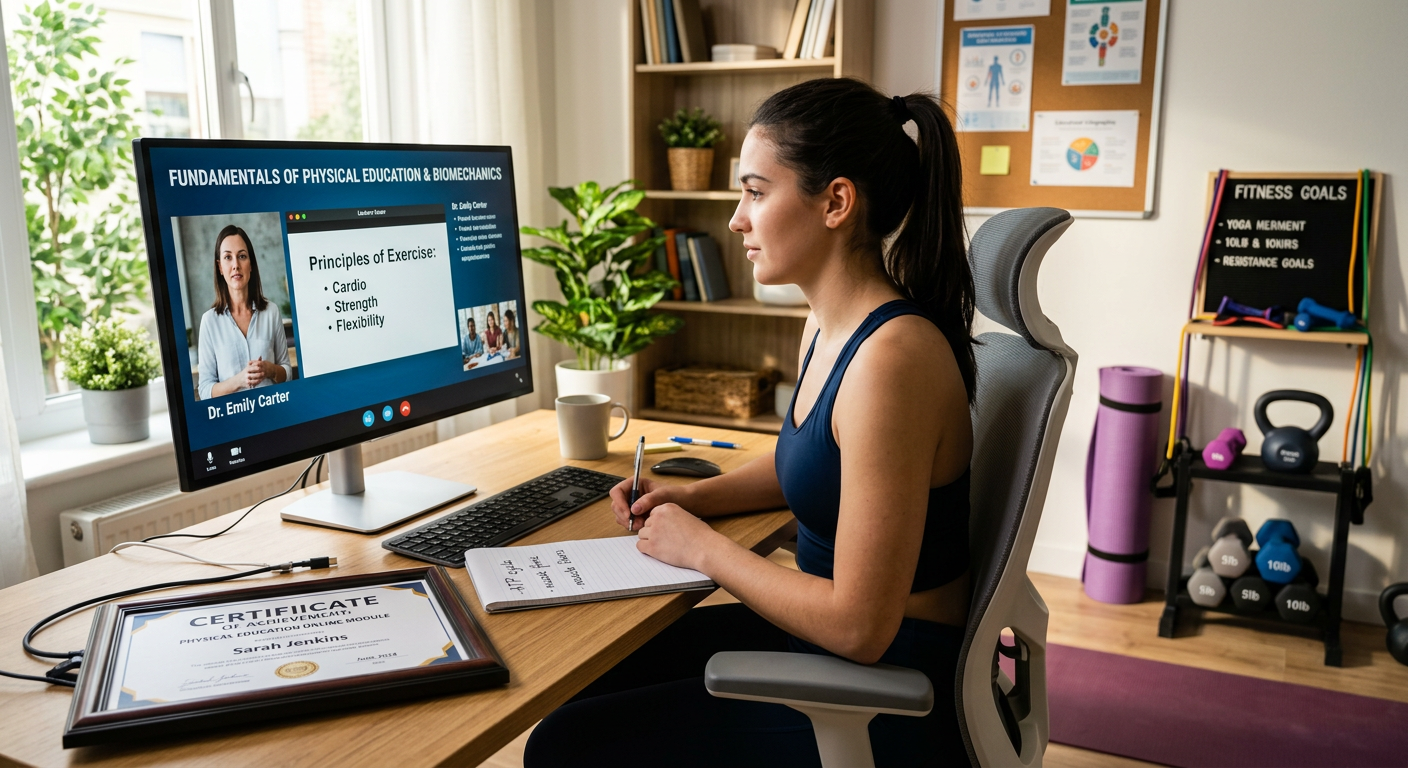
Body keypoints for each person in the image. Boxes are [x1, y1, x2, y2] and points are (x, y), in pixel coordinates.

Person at [524, 78, 975, 767]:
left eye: (756, 193)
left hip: (881, 692)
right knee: (582, 683)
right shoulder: (827, 324)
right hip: (818, 648)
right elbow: (819, 463)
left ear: (837, 202)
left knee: (565, 748)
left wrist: (703, 547)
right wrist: (695, 497)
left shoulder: (893, 359)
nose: (737, 219)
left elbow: (860, 627)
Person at [197, 225, 291, 400]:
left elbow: (287, 371)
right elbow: (204, 391)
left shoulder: (271, 312)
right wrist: (239, 380)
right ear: (220, 267)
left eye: (242, 256)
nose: (236, 265)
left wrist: (270, 370)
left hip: (273, 413)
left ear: (251, 265)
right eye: (227, 257)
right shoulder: (209, 321)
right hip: (235, 421)